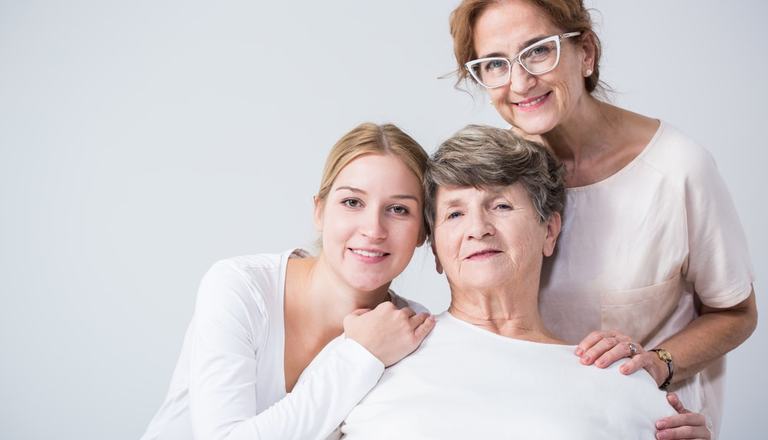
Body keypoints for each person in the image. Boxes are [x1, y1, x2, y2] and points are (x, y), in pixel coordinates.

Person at [448, 1, 757, 437]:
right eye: (495, 63)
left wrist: (657, 363)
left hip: (652, 424)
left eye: (539, 50)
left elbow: (736, 313)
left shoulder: (679, 170)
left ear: (586, 52)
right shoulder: (497, 177)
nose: (519, 81)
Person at [339, 124, 684, 439]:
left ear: (549, 230)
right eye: (455, 213)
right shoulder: (372, 354)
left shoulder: (617, 378)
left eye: (501, 206)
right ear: (435, 252)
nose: (478, 229)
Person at [139, 122, 436, 440]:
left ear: (422, 231)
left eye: (398, 209)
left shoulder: (410, 332)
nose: (373, 229)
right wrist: (361, 355)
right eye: (352, 202)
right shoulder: (240, 287)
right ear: (319, 211)